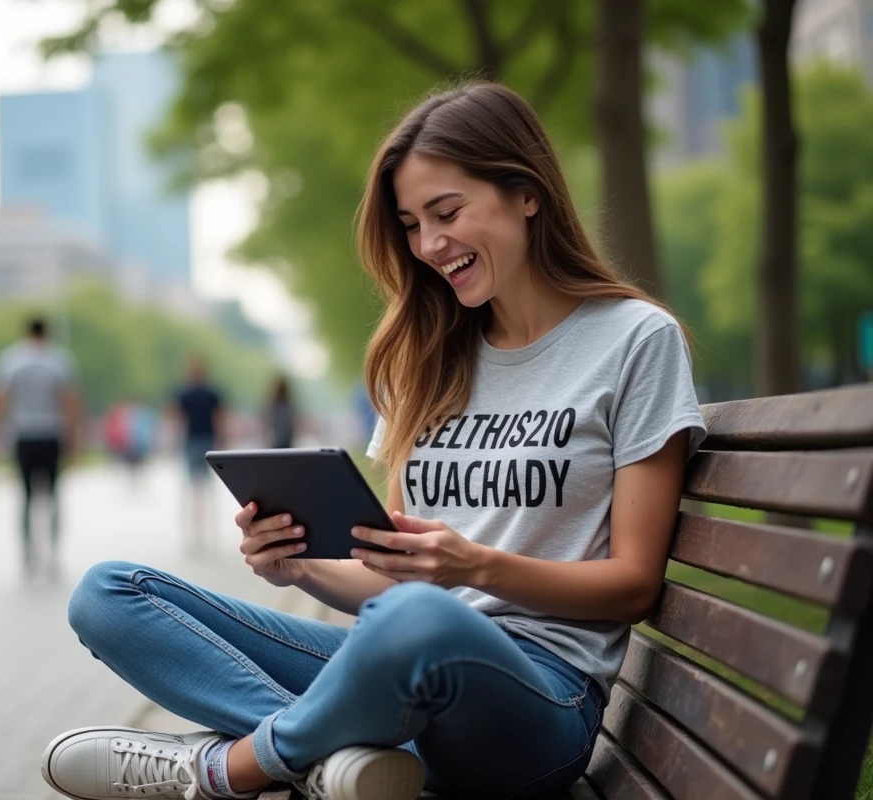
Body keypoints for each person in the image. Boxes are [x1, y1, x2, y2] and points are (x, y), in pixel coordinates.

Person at [40, 83, 706, 800]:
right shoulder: (428, 357)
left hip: (541, 698)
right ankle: (338, 765)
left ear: (527, 193)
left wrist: (474, 568)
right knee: (108, 593)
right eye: (413, 224)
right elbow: (392, 572)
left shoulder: (634, 340)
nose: (429, 245)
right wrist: (300, 570)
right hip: (399, 660)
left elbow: (633, 584)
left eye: (447, 213)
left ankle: (232, 769)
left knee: (419, 616)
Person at [0, 318, 80, 577]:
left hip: (23, 435)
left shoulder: (10, 360)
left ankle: (28, 552)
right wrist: (74, 438)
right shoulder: (59, 360)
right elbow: (68, 401)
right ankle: (53, 553)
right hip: (51, 434)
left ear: (26, 332)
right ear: (46, 333)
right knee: (53, 495)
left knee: (26, 497)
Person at [171, 357, 226, 552]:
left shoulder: (184, 394)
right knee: (208, 488)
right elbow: (219, 419)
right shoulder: (212, 394)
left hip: (192, 442)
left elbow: (178, 419)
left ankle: (196, 532)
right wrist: (223, 441)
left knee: (193, 489)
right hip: (208, 443)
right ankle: (209, 530)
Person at [264, 374, 297, 449]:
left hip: (276, 441)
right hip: (287, 441)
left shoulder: (272, 406)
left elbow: (268, 422)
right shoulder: (289, 405)